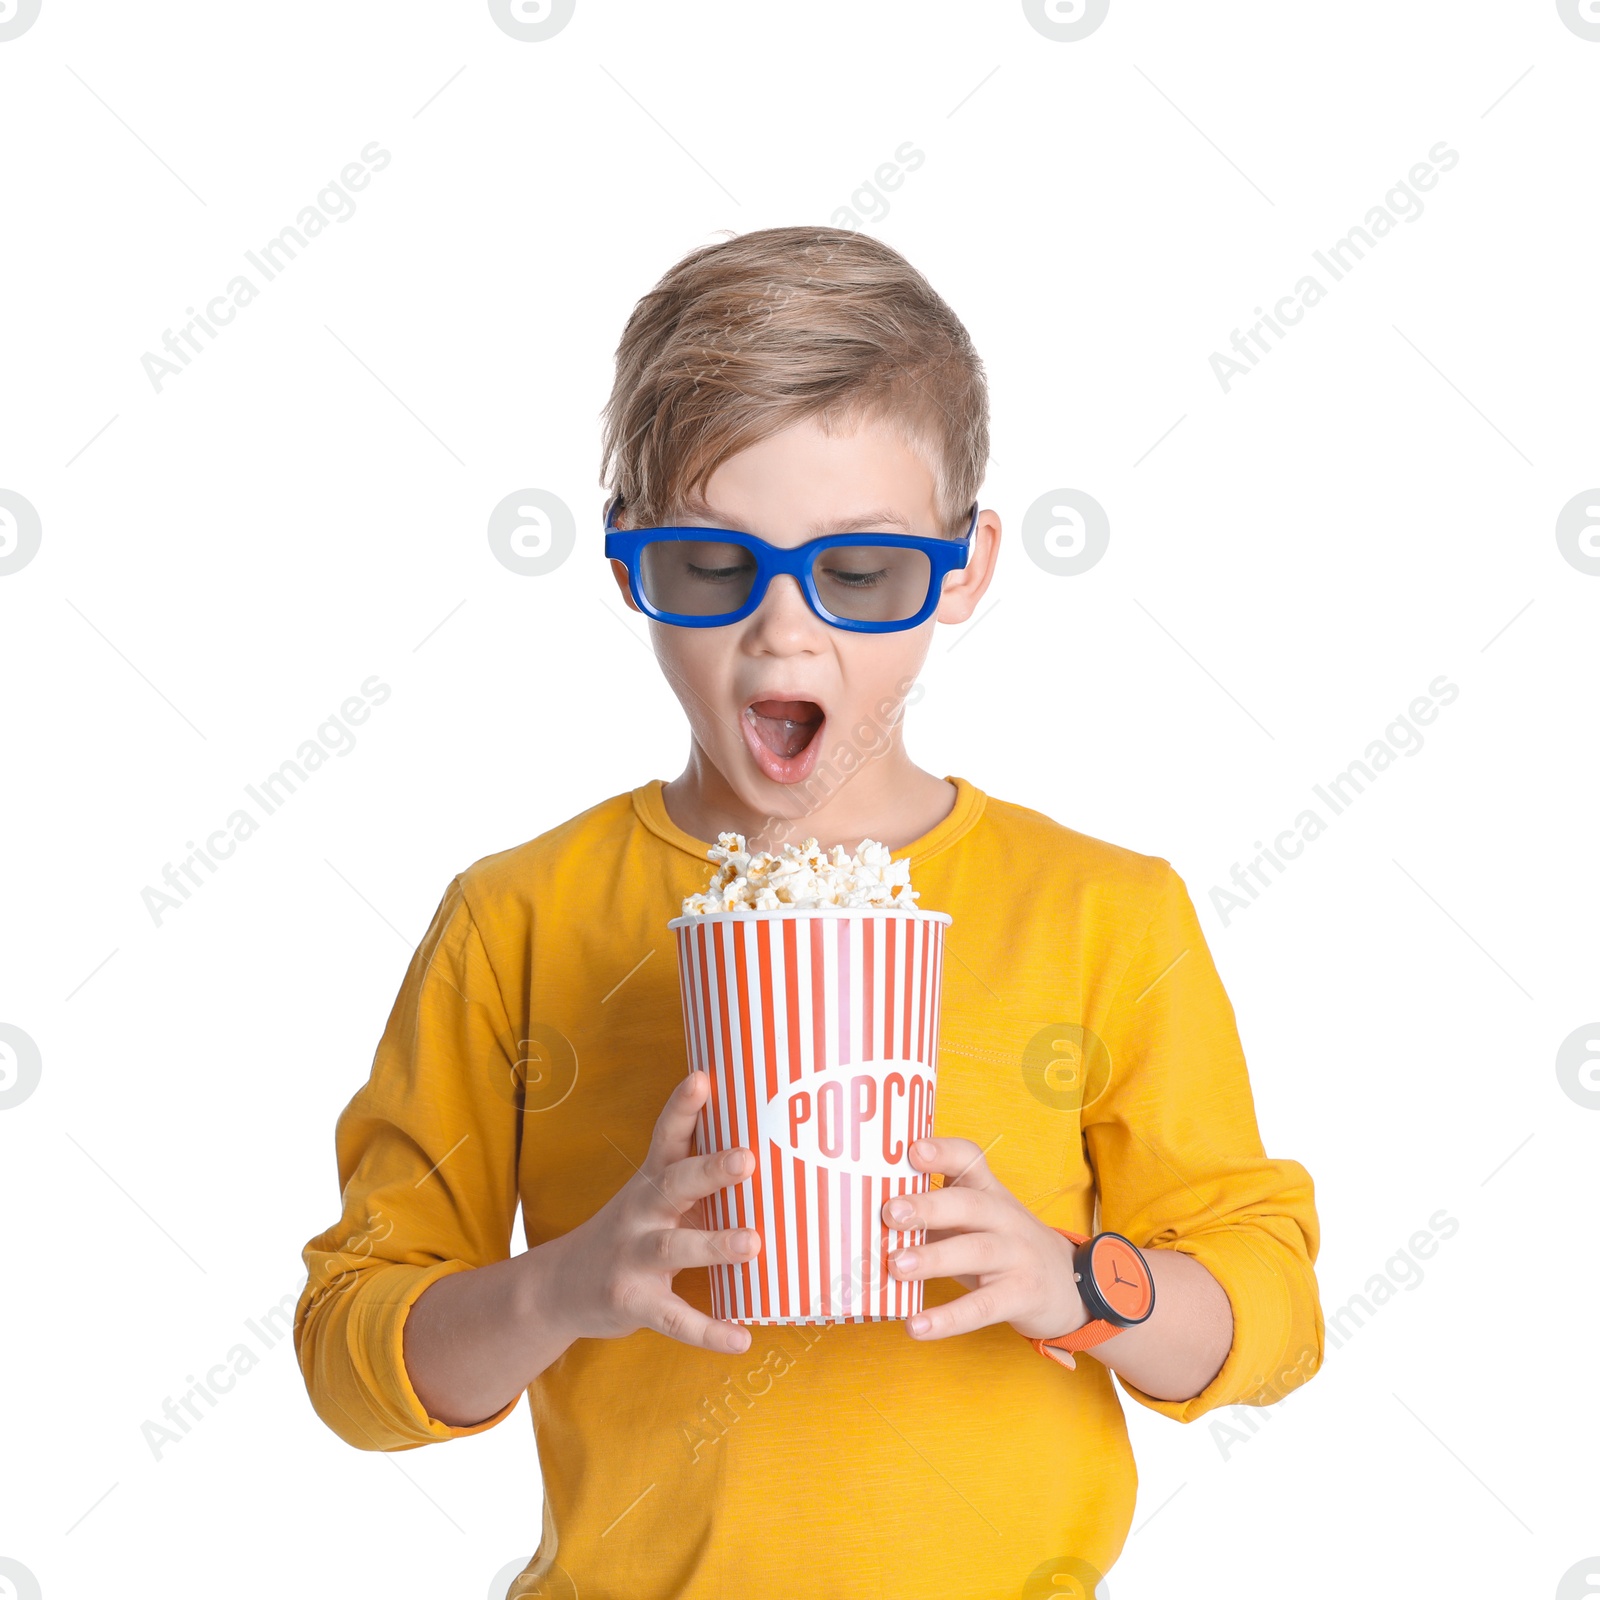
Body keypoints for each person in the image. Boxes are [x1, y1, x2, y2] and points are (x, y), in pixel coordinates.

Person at [293, 226, 1324, 1598]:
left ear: (963, 569)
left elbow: (1270, 1312)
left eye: (860, 572)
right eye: (714, 566)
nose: (786, 634)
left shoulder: (1102, 914)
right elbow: (354, 1355)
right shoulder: (519, 921)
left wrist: (1078, 1283)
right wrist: (567, 1282)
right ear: (624, 569)